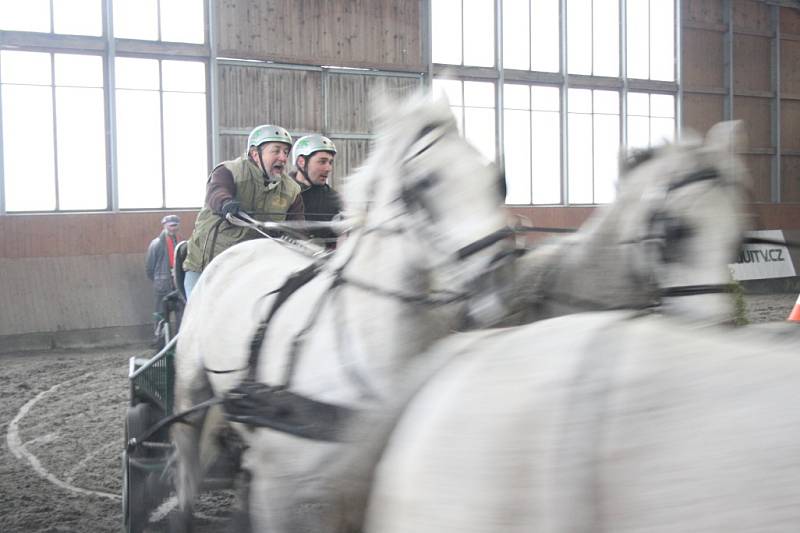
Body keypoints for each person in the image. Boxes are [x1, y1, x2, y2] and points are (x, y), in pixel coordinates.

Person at [182, 124, 304, 299]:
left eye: (286, 152)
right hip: (208, 267)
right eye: (276, 151)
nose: (283, 158)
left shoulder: (291, 190)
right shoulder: (229, 171)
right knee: (197, 316)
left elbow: (297, 226)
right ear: (255, 154)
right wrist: (227, 203)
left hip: (253, 271)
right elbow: (217, 192)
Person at [291, 134, 342, 246]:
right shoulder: (280, 194)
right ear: (301, 162)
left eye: (330, 162)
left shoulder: (335, 200)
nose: (329, 168)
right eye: (322, 162)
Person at [145, 214, 180, 330]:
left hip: (177, 283)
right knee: (161, 314)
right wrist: (158, 279)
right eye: (171, 226)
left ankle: (178, 341)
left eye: (175, 225)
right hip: (162, 284)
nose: (173, 228)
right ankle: (160, 341)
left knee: (180, 312)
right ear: (165, 226)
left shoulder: (180, 242)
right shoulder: (156, 244)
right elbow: (150, 266)